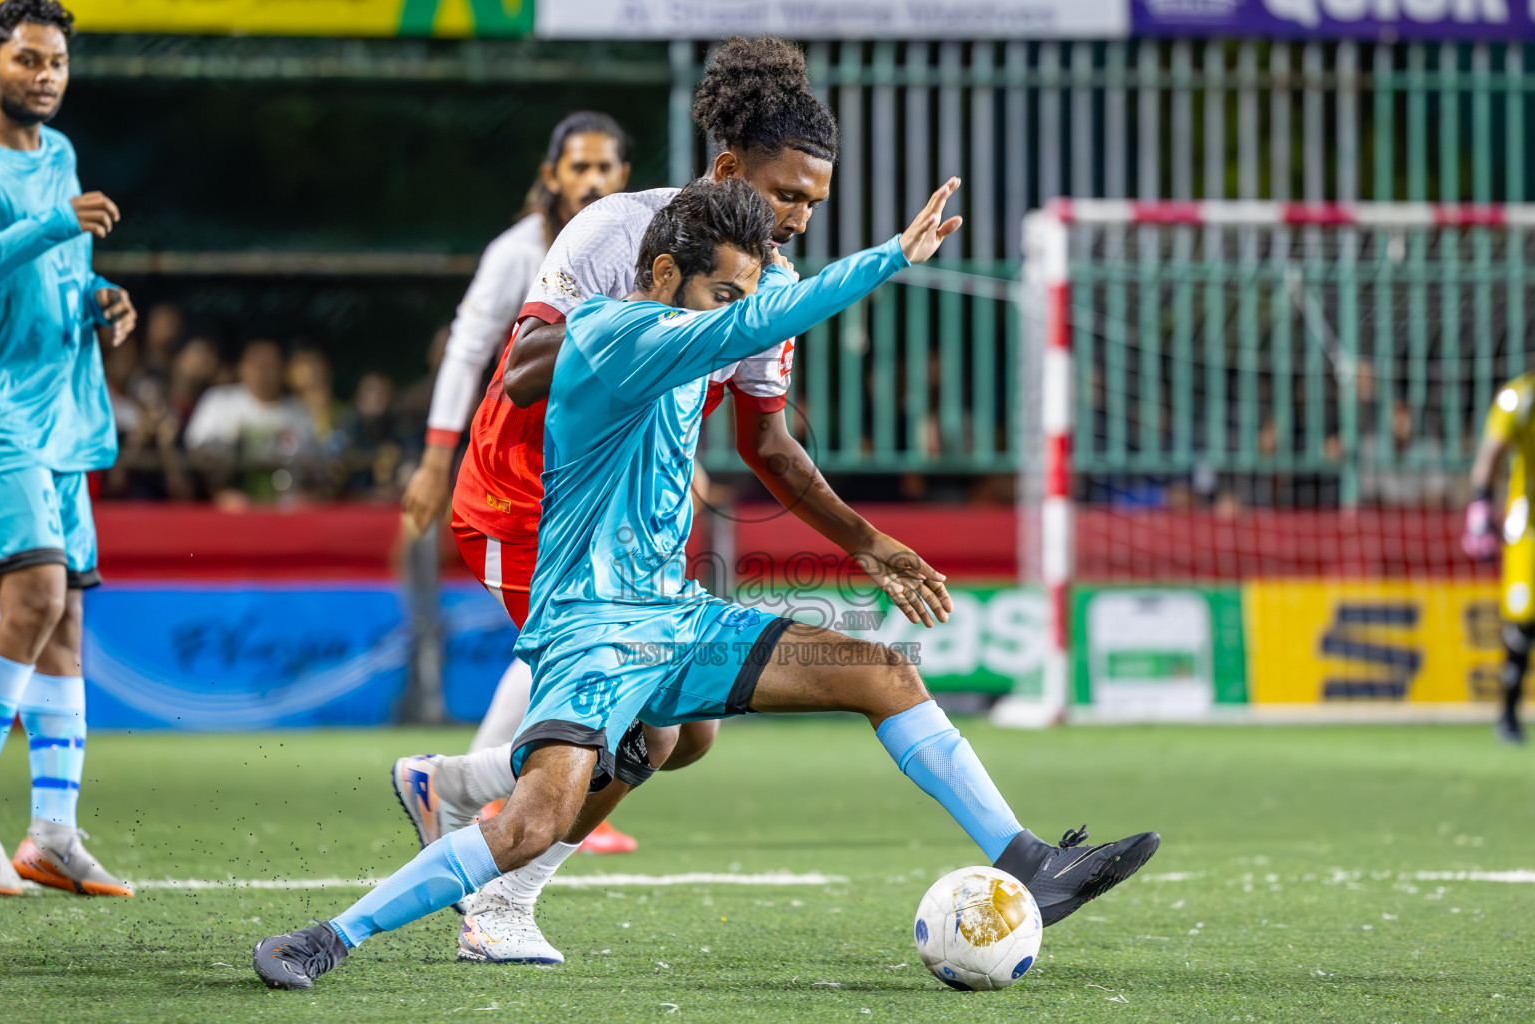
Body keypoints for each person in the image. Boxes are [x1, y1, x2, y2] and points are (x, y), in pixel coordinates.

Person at [252, 178, 1161, 990]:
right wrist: (891, 256)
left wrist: (861, 538)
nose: (734, 309)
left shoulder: (689, 333)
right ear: (657, 277)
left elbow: (761, 398)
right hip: (594, 627)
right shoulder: (615, 332)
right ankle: (331, 936)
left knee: (878, 675)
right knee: (532, 823)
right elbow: (753, 326)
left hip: (673, 617)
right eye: (721, 292)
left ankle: (1028, 859)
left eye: (740, 291)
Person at [397, 36, 950, 967]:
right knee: (645, 719)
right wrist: (652, 337)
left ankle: (452, 784)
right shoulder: (622, 234)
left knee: (688, 734)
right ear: (730, 168)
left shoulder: (761, 284)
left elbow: (769, 446)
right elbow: (524, 372)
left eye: (815, 204)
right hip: (525, 506)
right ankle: (498, 900)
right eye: (788, 197)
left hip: (627, 530)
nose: (802, 221)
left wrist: (866, 542)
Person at [398, 110, 635, 853]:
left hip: (576, 491)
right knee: (567, 640)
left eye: (605, 168)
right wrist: (436, 462)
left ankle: (505, 789)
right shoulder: (520, 252)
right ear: (552, 174)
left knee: (570, 640)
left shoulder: (632, 245)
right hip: (512, 488)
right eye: (579, 167)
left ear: (624, 176)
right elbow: (468, 352)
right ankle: (483, 791)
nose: (592, 180)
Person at [0, 0, 136, 898]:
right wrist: (59, 227)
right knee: (36, 590)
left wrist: (102, 300)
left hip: (65, 408)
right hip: (4, 407)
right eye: (26, 60)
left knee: (66, 624)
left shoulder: (60, 155)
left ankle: (52, 833)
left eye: (56, 63)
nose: (45, 75)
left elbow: (61, 272)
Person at [1464, 374, 1535, 743]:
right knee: (1524, 619)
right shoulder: (1518, 398)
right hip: (1529, 529)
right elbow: (1491, 451)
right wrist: (1479, 505)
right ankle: (1508, 711)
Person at [184, 338, 316, 504]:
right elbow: (196, 454)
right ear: (241, 367)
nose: (262, 371)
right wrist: (220, 492)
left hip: (285, 507)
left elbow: (309, 466)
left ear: (283, 370)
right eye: (256, 364)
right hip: (224, 503)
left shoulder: (299, 413)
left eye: (270, 365)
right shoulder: (218, 401)